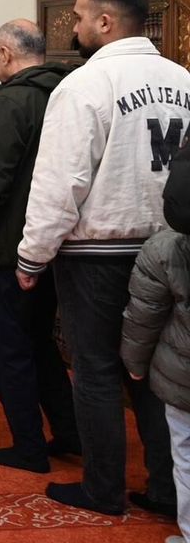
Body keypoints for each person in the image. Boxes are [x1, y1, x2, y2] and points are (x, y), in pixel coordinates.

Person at [18, 0, 189, 516]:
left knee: (95, 370)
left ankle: (103, 489)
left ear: (105, 22)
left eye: (78, 16)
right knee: (156, 373)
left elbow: (61, 181)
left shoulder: (86, 85)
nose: (73, 26)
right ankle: (168, 490)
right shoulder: (184, 80)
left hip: (99, 252)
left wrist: (32, 254)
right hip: (171, 248)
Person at [0, 21, 79, 473]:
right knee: (42, 342)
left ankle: (28, 446)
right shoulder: (69, 92)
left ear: (6, 53)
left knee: (10, 349)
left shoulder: (10, 102)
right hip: (58, 242)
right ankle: (71, 433)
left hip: (12, 246)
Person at [121, 227, 190, 542]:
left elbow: (144, 316)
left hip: (182, 375)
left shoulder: (166, 247)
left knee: (185, 451)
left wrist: (135, 364)